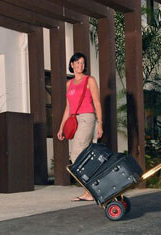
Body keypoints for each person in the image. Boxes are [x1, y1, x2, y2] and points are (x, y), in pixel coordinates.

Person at [57, 52, 103, 202]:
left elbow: (97, 103)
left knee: (76, 155)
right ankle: (91, 189)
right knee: (85, 156)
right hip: (73, 120)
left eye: (82, 63)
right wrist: (61, 127)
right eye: (77, 63)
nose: (80, 65)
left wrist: (100, 124)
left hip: (87, 118)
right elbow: (68, 107)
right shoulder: (68, 84)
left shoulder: (90, 80)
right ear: (71, 65)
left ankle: (89, 191)